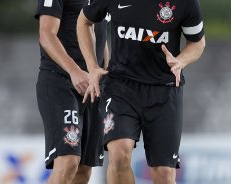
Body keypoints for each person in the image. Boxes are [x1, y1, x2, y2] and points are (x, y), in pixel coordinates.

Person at [77, 0, 205, 183]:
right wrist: (92, 66)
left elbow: (198, 43)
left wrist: (181, 60)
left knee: (163, 173)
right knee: (119, 154)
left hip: (164, 90)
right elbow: (84, 21)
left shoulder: (185, 3)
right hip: (121, 86)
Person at [35, 0, 108, 183]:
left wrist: (107, 74)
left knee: (84, 170)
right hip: (60, 82)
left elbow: (101, 37)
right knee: (68, 161)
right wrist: (74, 71)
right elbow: (46, 35)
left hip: (93, 86)